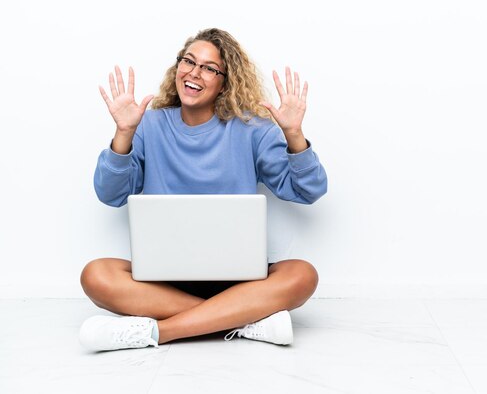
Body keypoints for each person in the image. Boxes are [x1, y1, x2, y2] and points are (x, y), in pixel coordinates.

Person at [78, 28, 327, 351]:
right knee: (95, 275)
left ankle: (159, 332)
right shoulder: (148, 125)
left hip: (239, 279)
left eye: (209, 68)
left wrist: (294, 133)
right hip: (163, 279)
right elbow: (109, 194)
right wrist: (124, 133)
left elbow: (309, 190)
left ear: (226, 81)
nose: (194, 73)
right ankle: (244, 320)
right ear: (177, 67)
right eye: (189, 62)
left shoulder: (254, 129)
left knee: (302, 275)